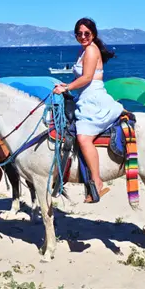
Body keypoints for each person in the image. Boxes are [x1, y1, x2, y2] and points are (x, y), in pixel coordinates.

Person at [53, 17, 123, 203]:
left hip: (93, 100)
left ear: (93, 34)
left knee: (84, 138)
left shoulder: (91, 50)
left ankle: (97, 181)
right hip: (85, 98)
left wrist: (67, 88)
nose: (83, 36)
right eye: (79, 33)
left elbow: (87, 78)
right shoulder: (84, 50)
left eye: (87, 33)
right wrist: (67, 85)